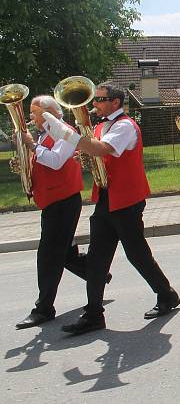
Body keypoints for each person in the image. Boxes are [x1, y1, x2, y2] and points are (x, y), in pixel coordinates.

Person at [45, 83, 180, 334]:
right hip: (107, 197)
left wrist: (66, 133)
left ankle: (166, 294)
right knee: (97, 258)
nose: (93, 104)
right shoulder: (99, 125)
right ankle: (94, 314)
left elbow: (102, 149)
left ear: (115, 102)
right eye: (94, 99)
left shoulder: (125, 126)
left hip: (127, 199)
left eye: (100, 100)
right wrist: (82, 154)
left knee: (137, 254)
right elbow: (95, 154)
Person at [14, 96, 92, 329]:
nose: (30, 118)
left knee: (48, 256)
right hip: (52, 201)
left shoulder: (64, 132)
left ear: (49, 113)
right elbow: (43, 161)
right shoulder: (45, 135)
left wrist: (32, 146)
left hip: (63, 201)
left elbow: (56, 161)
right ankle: (95, 273)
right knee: (63, 253)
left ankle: (44, 308)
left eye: (34, 113)